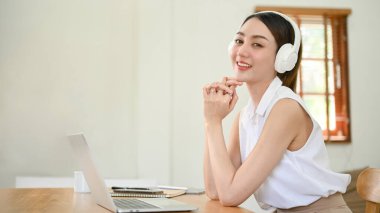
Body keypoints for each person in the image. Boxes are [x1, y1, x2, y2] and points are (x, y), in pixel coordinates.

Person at [202, 11, 351, 212]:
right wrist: (212, 120)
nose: (242, 51)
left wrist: (213, 121)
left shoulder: (285, 109)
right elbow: (215, 190)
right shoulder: (245, 116)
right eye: (239, 40)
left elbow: (230, 195)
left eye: (257, 44)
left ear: (284, 58)